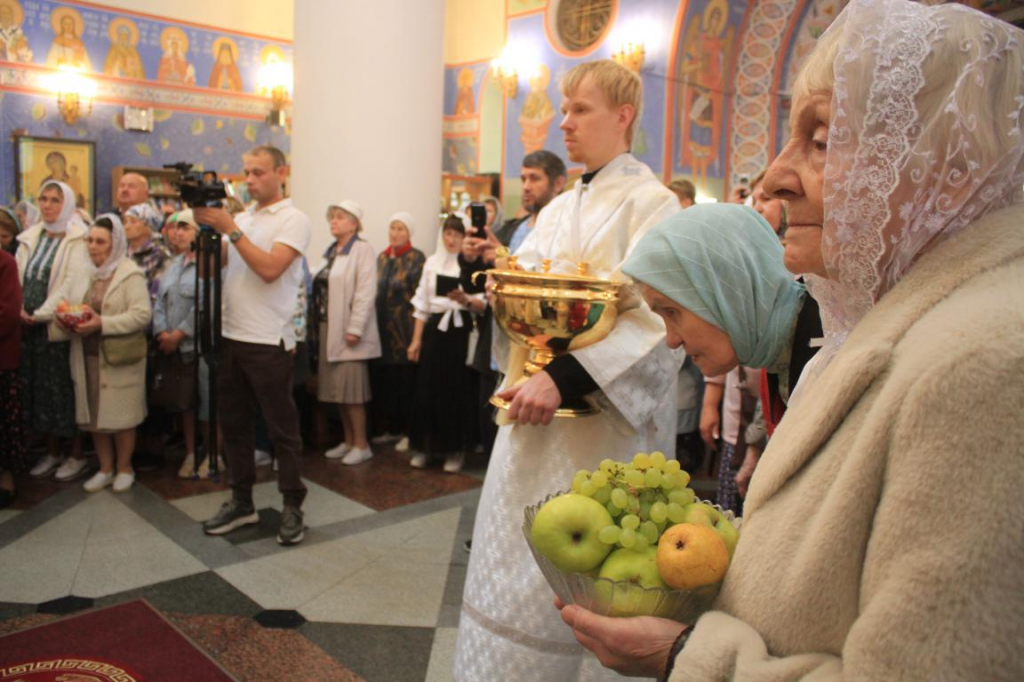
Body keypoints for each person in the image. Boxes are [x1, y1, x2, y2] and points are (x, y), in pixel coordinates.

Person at [556, 2, 1024, 679]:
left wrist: (687, 656)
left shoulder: (983, 367)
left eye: (824, 137)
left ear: (952, 166)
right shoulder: (879, 330)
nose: (774, 178)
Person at [453, 59, 681, 681]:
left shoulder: (652, 204)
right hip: (533, 424)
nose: (565, 122)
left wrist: (566, 378)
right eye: (565, 108)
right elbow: (525, 306)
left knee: (593, 579)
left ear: (624, 115)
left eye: (581, 109)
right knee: (515, 566)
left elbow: (658, 322)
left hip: (602, 433)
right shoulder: (555, 210)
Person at [193, 145, 311, 547]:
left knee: (282, 431)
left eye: (258, 172)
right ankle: (241, 502)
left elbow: (268, 270)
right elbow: (213, 267)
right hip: (231, 336)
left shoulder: (294, 220)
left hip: (268, 340)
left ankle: (293, 504)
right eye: (246, 172)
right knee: (235, 426)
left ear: (282, 172)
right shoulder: (243, 217)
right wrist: (206, 233)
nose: (250, 179)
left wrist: (230, 229)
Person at [459, 151, 568, 460]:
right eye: (523, 178)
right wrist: (469, 259)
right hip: (493, 352)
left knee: (523, 452)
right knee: (492, 442)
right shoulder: (509, 228)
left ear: (558, 183)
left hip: (536, 358)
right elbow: (473, 285)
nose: (526, 186)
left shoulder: (562, 232)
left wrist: (506, 259)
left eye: (535, 178)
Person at [56, 215, 151, 493]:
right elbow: (69, 302)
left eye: (100, 242)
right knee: (94, 415)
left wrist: (103, 323)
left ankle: (124, 467)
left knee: (122, 417)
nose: (93, 246)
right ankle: (105, 467)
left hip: (118, 357)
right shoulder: (85, 272)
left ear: (115, 244)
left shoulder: (129, 273)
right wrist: (68, 317)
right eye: (90, 240)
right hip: (87, 354)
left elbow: (142, 314)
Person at [16, 181, 91, 482]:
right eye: (43, 199)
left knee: (62, 389)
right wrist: (19, 309)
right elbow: (19, 275)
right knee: (36, 389)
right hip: (27, 326)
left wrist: (41, 314)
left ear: (68, 204)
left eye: (55, 200)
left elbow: (71, 284)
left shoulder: (78, 240)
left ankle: (75, 454)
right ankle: (52, 451)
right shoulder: (30, 237)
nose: (47, 205)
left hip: (56, 327)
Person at [407, 214, 480, 473]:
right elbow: (421, 306)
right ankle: (425, 447)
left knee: (455, 391)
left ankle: (455, 450)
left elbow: (482, 302)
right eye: (448, 234)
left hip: (459, 332)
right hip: (434, 333)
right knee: (427, 388)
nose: (452, 239)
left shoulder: (470, 264)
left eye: (457, 235)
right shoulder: (431, 263)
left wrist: (464, 299)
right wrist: (416, 341)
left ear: (464, 238)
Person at [313, 200, 381, 465]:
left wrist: (355, 328)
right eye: (332, 217)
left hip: (349, 331)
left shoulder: (362, 249)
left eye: (340, 217)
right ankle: (348, 440)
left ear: (354, 223)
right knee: (336, 391)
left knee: (352, 391)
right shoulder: (331, 251)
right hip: (328, 328)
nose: (334, 221)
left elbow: (365, 291)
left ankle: (362, 444)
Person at [369, 212, 425, 447]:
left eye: (401, 229)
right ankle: (390, 428)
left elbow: (420, 298)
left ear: (409, 233)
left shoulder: (416, 258)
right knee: (386, 382)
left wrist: (416, 338)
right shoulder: (381, 258)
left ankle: (408, 432)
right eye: (393, 228)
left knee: (405, 384)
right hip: (382, 330)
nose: (395, 233)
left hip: (404, 330)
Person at [152, 210, 201, 478]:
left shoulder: (207, 264)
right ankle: (191, 454)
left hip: (195, 347)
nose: (178, 233)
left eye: (185, 227)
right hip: (173, 348)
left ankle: (212, 455)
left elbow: (205, 305)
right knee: (185, 404)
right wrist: (161, 332)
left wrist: (179, 334)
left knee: (205, 403)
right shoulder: (174, 265)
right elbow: (160, 301)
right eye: (175, 228)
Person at [0, 248, 25, 508]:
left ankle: (5, 479)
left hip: (1, 360)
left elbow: (8, 312)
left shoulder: (5, 263)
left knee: (3, 425)